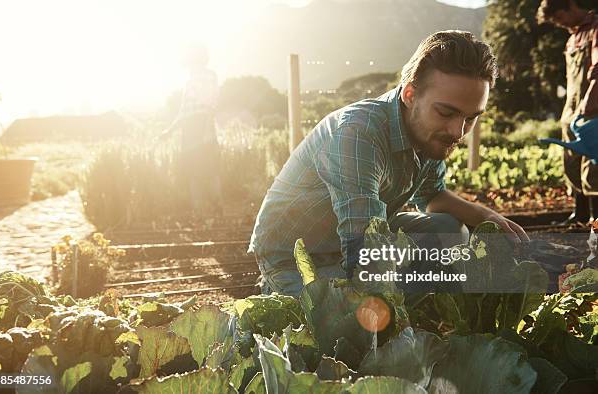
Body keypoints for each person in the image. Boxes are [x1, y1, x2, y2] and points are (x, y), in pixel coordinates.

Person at [248, 30, 530, 297]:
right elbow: (362, 246)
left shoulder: (429, 135)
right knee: (344, 321)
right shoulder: (358, 132)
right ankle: (272, 291)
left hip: (355, 238)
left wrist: (484, 216)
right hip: (297, 257)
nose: (457, 132)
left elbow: (431, 197)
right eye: (446, 112)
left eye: (471, 118)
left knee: (448, 230)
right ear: (410, 95)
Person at [537, 0, 598, 224]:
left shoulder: (595, 28)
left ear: (570, 6)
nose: (559, 24)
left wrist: (591, 97)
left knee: (591, 162)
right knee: (570, 160)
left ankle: (595, 218)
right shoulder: (573, 37)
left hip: (592, 106)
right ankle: (579, 214)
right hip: (571, 109)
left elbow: (597, 68)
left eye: (559, 17)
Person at [160, 44, 223, 218]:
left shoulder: (192, 80)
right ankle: (217, 210)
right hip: (206, 125)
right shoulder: (212, 77)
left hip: (193, 128)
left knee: (194, 173)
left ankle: (199, 213)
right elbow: (212, 104)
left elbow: (185, 112)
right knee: (211, 170)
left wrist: (170, 130)